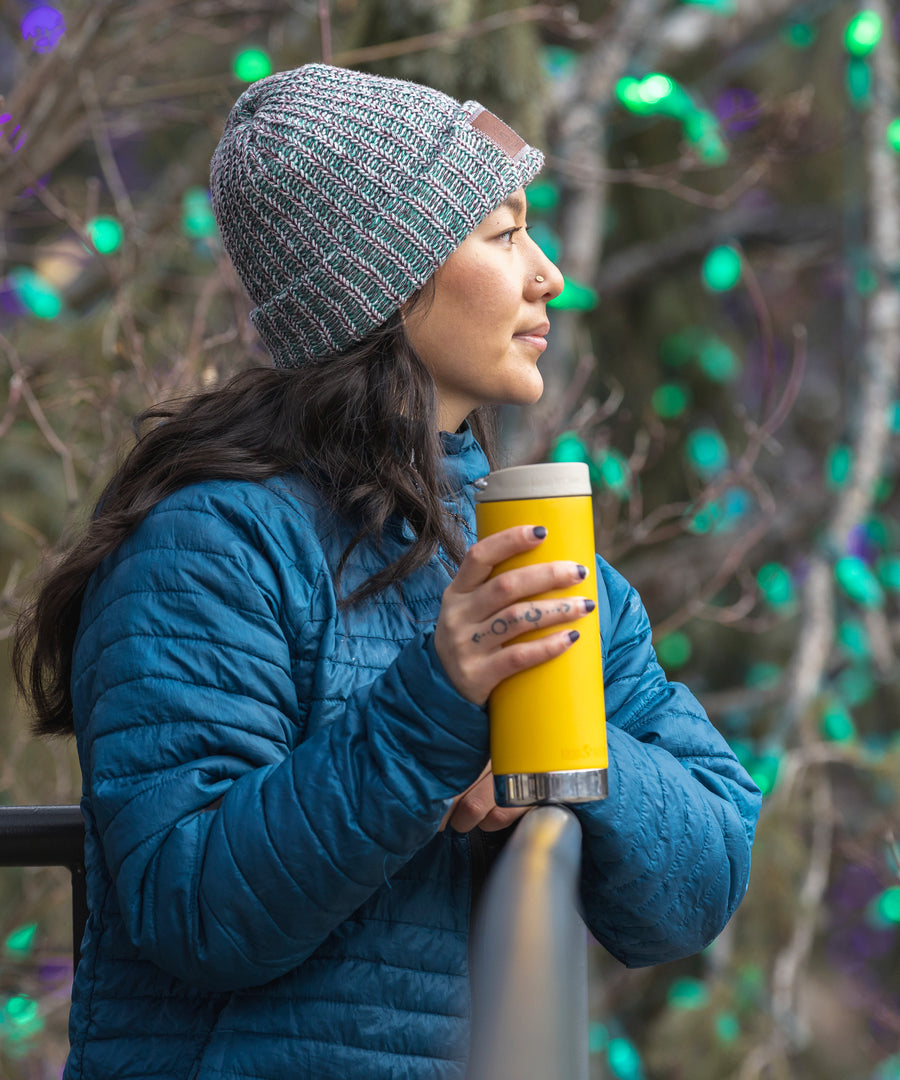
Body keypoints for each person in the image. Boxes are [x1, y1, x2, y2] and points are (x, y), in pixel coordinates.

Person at [14, 63, 760, 1080]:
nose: (547, 274)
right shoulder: (207, 545)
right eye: (503, 236)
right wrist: (437, 708)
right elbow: (190, 910)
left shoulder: (518, 546)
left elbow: (702, 885)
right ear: (387, 281)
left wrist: (566, 760)